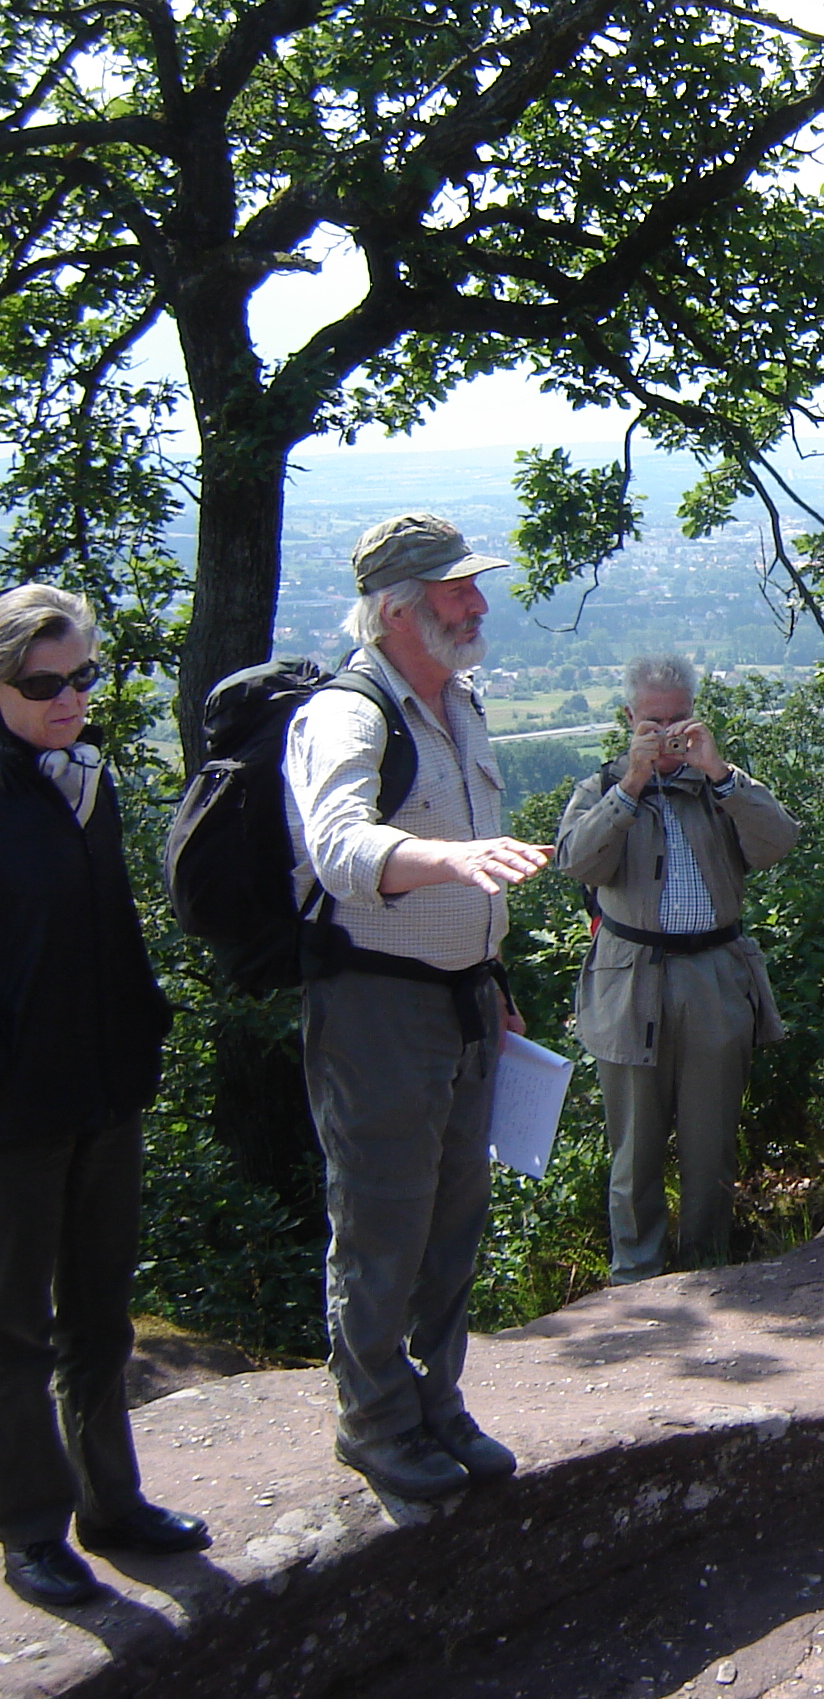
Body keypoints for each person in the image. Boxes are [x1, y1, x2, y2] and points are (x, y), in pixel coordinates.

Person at [285, 515, 553, 1500]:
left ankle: (436, 1402)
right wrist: (455, 863)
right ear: (397, 609)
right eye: (454, 592)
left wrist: (495, 980)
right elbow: (342, 852)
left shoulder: (460, 701)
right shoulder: (348, 717)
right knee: (383, 1221)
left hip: (464, 1002)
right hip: (376, 1008)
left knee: (453, 1219)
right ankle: (375, 1422)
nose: (477, 605)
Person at [0, 586, 206, 1608]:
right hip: (15, 1107)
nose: (71, 698)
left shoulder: (88, 781)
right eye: (44, 684)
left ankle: (111, 1502)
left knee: (99, 1317)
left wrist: (141, 1028)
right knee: (15, 1332)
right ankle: (33, 1532)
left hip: (102, 1085)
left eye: (83, 677)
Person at [556, 654, 800, 1283]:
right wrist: (632, 786)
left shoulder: (719, 791)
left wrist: (717, 770)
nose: (666, 733)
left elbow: (778, 842)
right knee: (635, 1146)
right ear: (629, 718)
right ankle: (635, 1278)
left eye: (678, 719)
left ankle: (708, 1269)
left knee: (710, 1137)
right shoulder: (600, 790)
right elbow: (578, 863)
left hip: (715, 974)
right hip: (631, 978)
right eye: (653, 721)